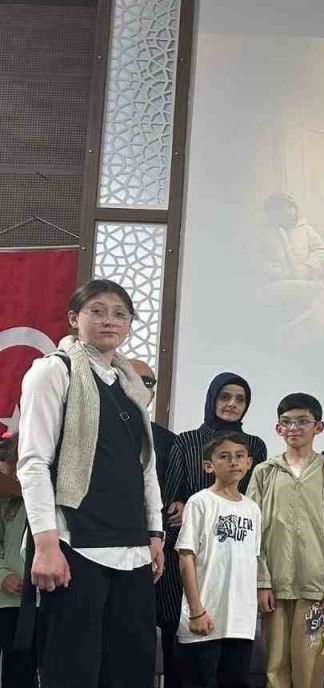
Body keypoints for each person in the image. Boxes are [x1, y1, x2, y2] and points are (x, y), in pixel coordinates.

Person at [17, 279, 165, 688]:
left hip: (132, 547)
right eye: (97, 311)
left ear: (130, 324)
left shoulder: (131, 385)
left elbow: (144, 467)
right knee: (72, 670)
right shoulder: (54, 370)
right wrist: (46, 544)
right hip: (76, 542)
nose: (109, 321)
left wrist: (154, 532)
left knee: (131, 671)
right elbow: (33, 463)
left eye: (120, 314)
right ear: (74, 318)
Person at [249, 393, 324, 688]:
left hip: (318, 590)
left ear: (318, 427)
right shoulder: (265, 473)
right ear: (278, 429)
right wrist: (261, 580)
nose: (294, 428)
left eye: (302, 421)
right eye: (287, 422)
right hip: (275, 586)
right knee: (274, 667)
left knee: (311, 668)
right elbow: (252, 529)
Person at [175, 432, 262, 688]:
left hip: (240, 623)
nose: (233, 462)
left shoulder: (253, 509)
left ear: (249, 463)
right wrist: (196, 611)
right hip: (205, 618)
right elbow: (186, 558)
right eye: (224, 456)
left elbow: (251, 562)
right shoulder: (200, 502)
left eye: (239, 456)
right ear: (208, 466)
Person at [130, 358, 185, 688]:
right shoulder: (95, 428)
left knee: (155, 625)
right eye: (135, 378)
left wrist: (180, 501)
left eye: (149, 382)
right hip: (104, 543)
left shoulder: (168, 440)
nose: (143, 387)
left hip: (155, 546)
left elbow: (175, 489)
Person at [169, 373, 270, 506]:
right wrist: (179, 505)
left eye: (240, 400)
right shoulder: (187, 441)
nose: (232, 404)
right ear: (212, 400)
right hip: (195, 516)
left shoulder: (255, 445)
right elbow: (172, 495)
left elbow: (258, 494)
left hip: (241, 518)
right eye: (224, 397)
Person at [0, 432, 34, 687]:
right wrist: (3, 575)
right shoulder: (7, 503)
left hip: (43, 603)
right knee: (14, 669)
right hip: (9, 602)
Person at [261, 193, 324, 282]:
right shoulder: (266, 234)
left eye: (290, 207)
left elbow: (320, 249)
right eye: (281, 209)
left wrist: (308, 266)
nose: (288, 212)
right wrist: (275, 270)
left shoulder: (305, 229)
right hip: (277, 280)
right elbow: (259, 258)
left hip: (305, 279)